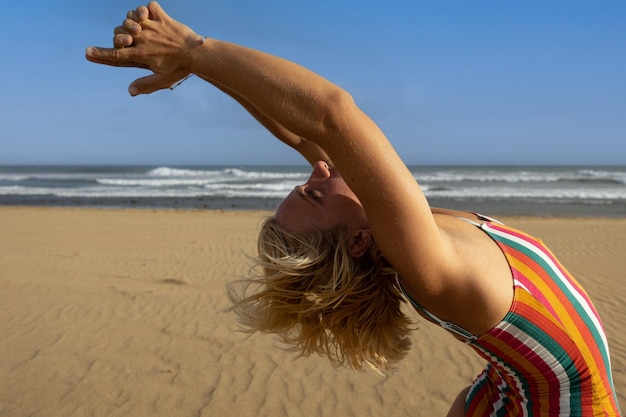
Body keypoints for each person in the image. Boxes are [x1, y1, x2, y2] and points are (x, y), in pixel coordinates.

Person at [86, 3, 622, 416]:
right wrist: (195, 48)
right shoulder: (430, 270)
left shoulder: (386, 225)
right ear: (361, 240)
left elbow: (302, 130)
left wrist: (193, 67)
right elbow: (332, 116)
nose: (318, 170)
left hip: (504, 387)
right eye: (315, 194)